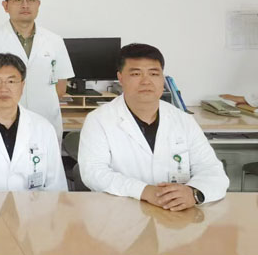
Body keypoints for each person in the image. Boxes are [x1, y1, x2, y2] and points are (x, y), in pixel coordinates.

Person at [79, 43, 229, 211]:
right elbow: (93, 173)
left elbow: (212, 171)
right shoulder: (99, 120)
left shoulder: (183, 120)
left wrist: (193, 193)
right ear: (120, 78)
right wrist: (143, 191)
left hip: (176, 215)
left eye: (154, 73)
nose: (146, 81)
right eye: (136, 74)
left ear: (162, 78)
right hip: (121, 214)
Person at [0, 0, 73, 146]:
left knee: (45, 159)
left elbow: (61, 86)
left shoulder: (54, 40)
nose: (25, 5)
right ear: (5, 6)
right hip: (3, 119)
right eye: (18, 0)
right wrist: (4, 105)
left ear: (38, 4)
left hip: (45, 118)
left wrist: (38, 101)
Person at [0, 53, 67, 191]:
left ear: (22, 85)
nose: (3, 89)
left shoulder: (44, 128)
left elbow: (56, 185)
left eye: (11, 81)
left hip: (35, 204)